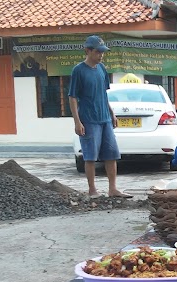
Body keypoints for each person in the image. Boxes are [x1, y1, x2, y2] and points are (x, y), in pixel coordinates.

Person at [69, 35, 131, 198]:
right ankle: (92, 190)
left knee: (112, 154)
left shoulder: (102, 69)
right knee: (90, 157)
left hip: (105, 119)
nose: (101, 55)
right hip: (88, 120)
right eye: (97, 52)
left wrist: (112, 113)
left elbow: (103, 94)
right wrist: (77, 121)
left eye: (102, 52)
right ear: (88, 51)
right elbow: (72, 97)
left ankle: (113, 189)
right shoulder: (78, 70)